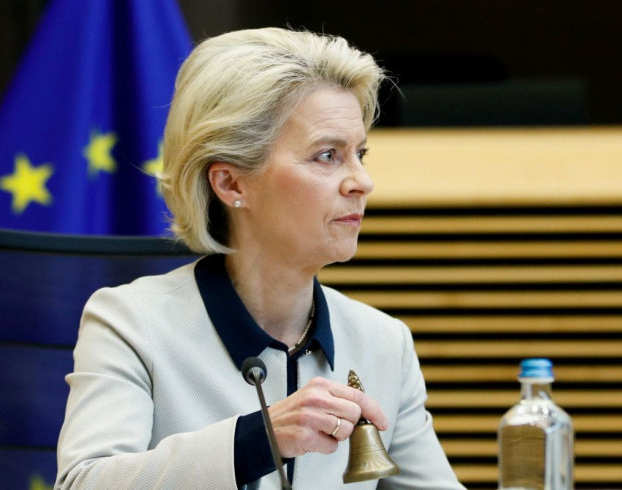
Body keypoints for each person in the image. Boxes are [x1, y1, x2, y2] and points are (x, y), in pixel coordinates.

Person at [56, 27, 465, 489]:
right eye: (327, 155)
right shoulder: (130, 322)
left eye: (360, 154)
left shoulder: (384, 343)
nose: (361, 182)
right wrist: (257, 438)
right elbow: (83, 483)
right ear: (231, 184)